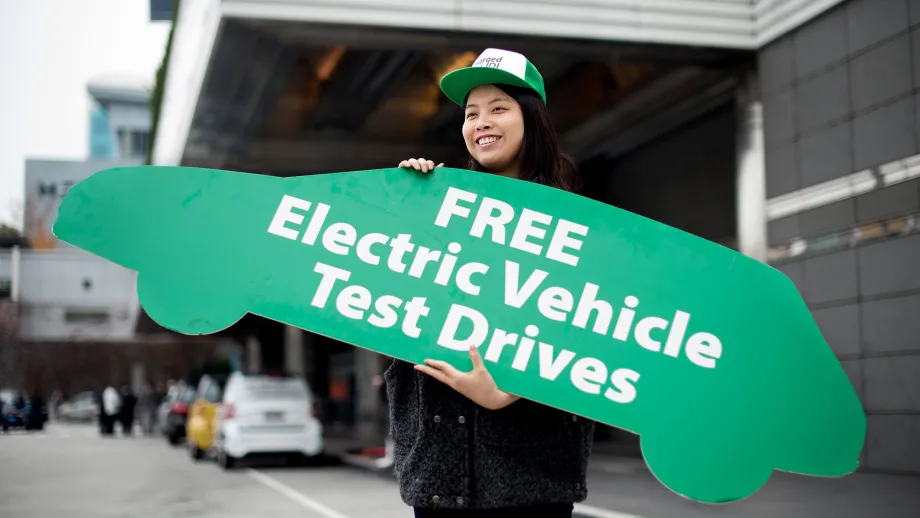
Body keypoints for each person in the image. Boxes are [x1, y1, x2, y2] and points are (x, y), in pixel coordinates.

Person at [388, 48, 592, 517]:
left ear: (531, 116)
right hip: (438, 469)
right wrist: (406, 206)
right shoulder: (439, 203)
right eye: (471, 112)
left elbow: (588, 325)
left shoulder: (574, 223)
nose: (482, 121)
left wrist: (508, 391)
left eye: (498, 107)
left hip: (529, 475)